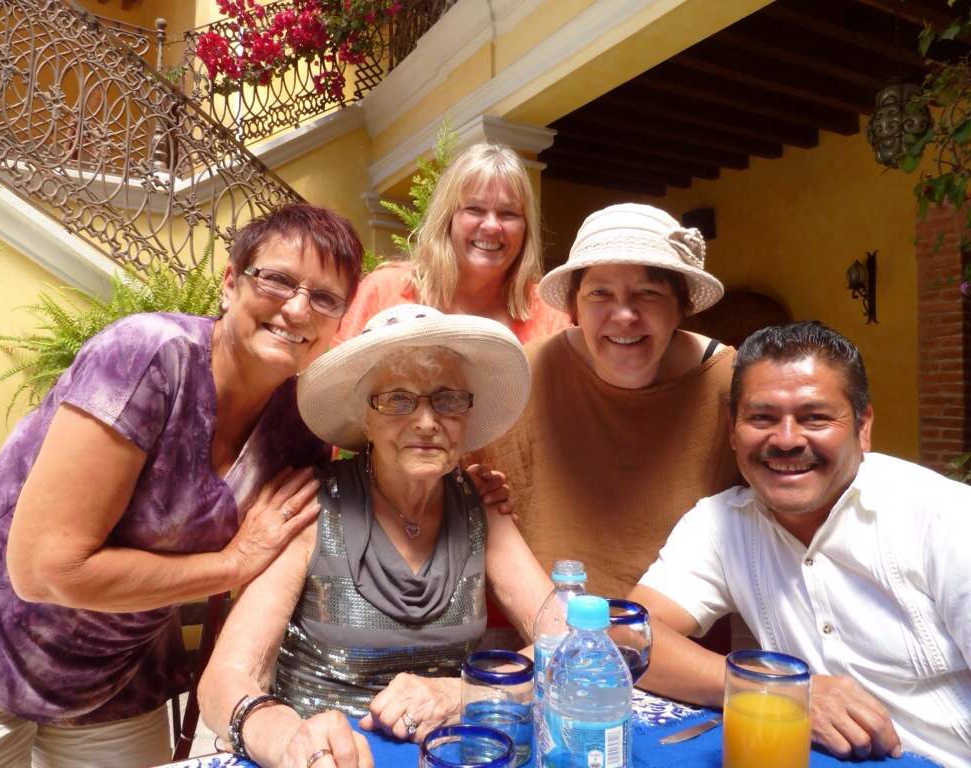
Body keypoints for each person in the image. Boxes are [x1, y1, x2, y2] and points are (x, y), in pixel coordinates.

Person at [0, 203, 366, 768]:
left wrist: (460, 491)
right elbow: (46, 568)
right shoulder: (148, 355)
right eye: (277, 280)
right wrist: (231, 563)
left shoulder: (302, 424)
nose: (297, 308)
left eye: (324, 298)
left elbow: (305, 542)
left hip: (115, 674)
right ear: (230, 283)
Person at [197, 304, 553, 768]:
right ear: (364, 418)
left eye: (446, 399)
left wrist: (464, 693)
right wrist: (286, 739)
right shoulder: (311, 506)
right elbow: (223, 679)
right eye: (398, 399)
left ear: (466, 415)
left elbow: (569, 642)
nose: (426, 421)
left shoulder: (480, 505)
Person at [629, 320, 971, 767]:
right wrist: (776, 690)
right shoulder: (721, 524)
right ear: (733, 430)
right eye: (761, 417)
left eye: (815, 417)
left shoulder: (945, 519)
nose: (787, 440)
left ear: (863, 426)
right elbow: (627, 636)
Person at [470, 203, 740, 606]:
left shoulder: (728, 383)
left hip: (687, 633)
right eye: (600, 293)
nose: (625, 314)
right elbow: (470, 497)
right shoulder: (524, 376)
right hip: (541, 626)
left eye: (648, 292)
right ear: (574, 307)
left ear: (681, 306)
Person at [332, 141, 571, 345]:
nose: (491, 226)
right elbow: (335, 378)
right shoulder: (384, 291)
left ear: (525, 227)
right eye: (474, 209)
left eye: (508, 213)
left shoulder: (550, 314)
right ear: (447, 218)